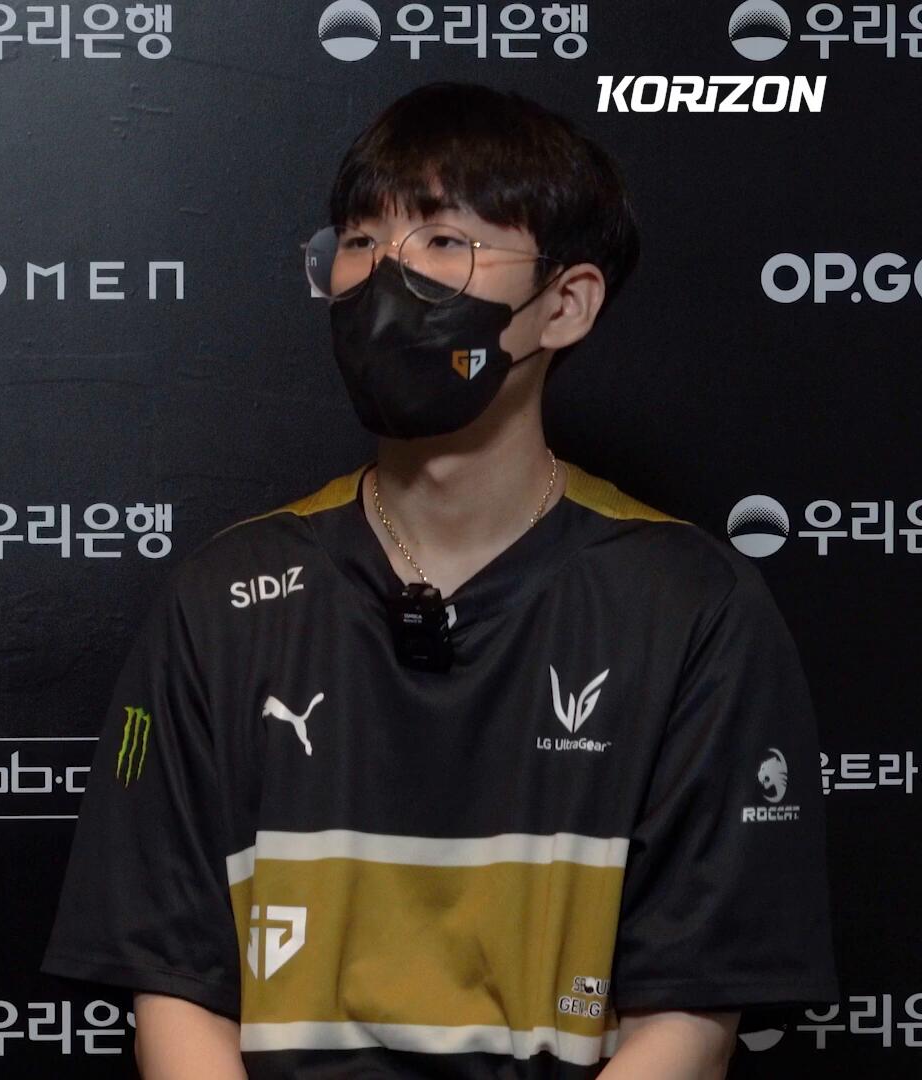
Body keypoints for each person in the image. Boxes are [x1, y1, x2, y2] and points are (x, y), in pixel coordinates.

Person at [41, 82, 838, 1078]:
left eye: (445, 241)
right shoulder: (220, 596)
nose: (387, 276)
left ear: (565, 304)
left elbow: (687, 1024)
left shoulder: (691, 604)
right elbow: (173, 997)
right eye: (361, 241)